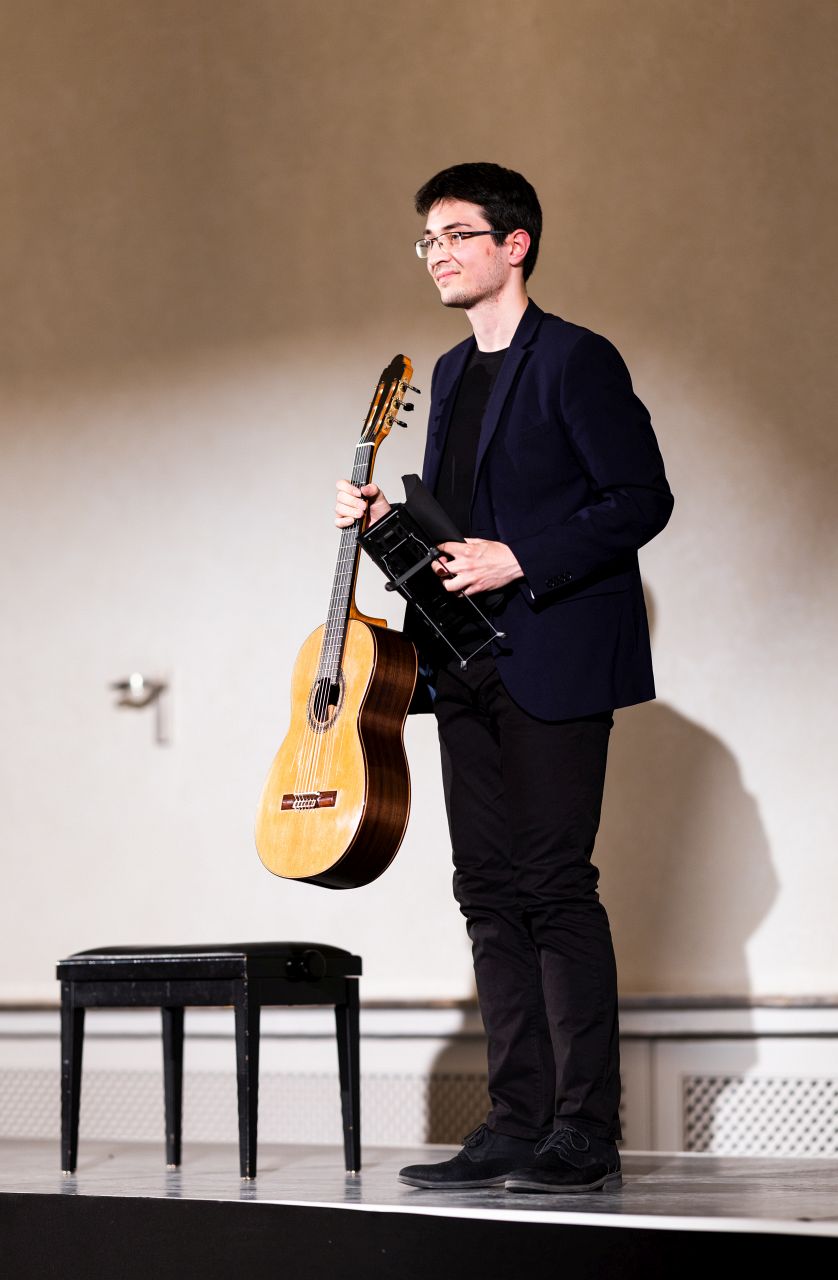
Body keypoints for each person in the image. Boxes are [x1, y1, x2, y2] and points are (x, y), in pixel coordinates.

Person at [335, 162, 673, 1194]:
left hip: (554, 656)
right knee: (484, 891)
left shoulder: (575, 359)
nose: (436, 254)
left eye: (455, 235)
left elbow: (640, 499)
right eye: (426, 240)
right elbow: (457, 540)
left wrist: (520, 557)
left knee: (554, 887)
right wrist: (385, 525)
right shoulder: (449, 373)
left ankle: (584, 1130)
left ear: (513, 243)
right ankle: (516, 1122)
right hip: (460, 661)